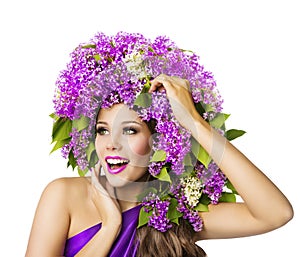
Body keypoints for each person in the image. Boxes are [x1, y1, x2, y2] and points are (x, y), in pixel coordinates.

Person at [25, 32, 293, 257]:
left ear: (163, 142)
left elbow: (275, 213)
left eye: (130, 130)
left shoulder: (170, 216)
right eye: (102, 130)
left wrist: (195, 123)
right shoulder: (63, 195)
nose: (111, 145)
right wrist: (110, 226)